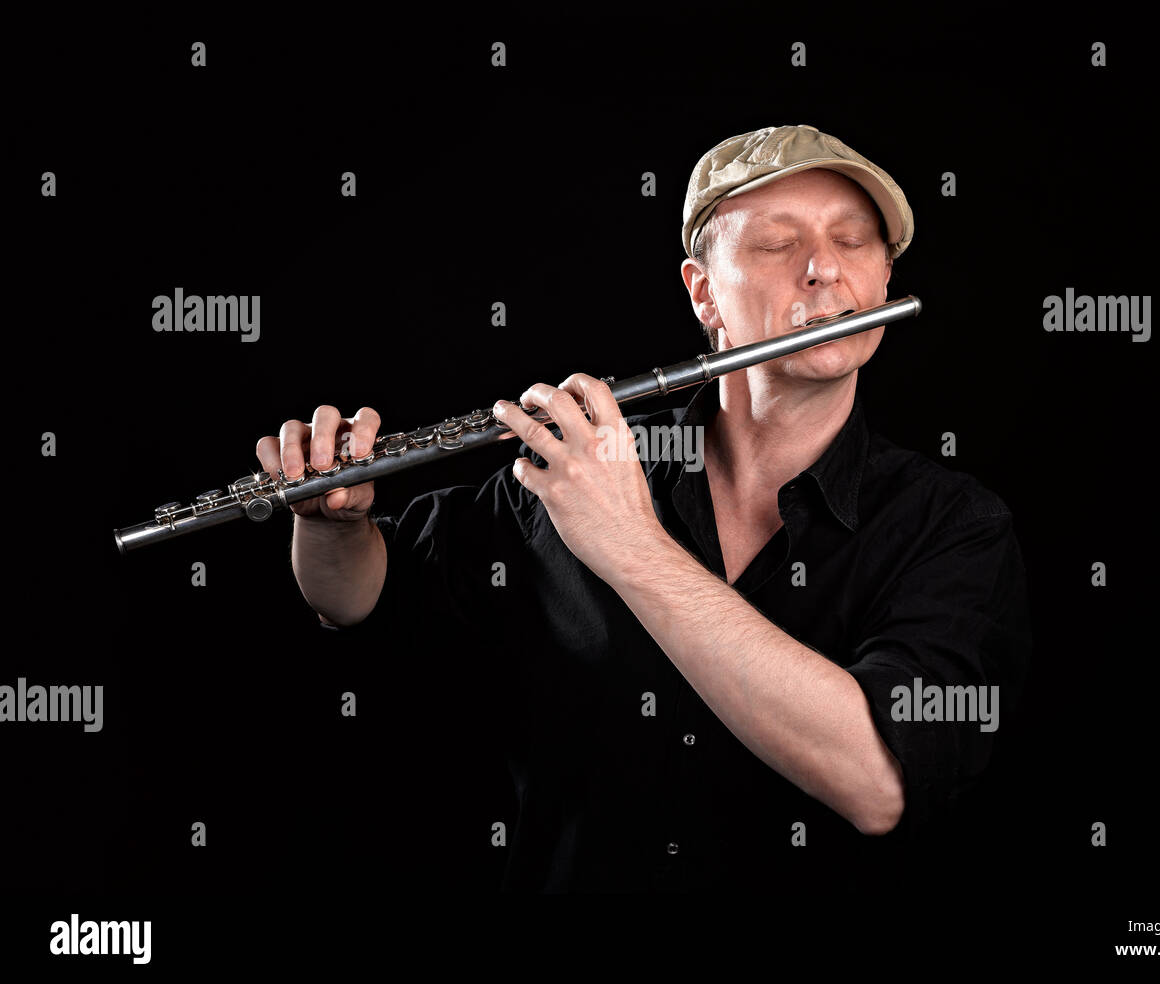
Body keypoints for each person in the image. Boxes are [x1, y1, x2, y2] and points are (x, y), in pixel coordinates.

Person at [257, 124, 1032, 892]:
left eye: (855, 240)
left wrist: (632, 548)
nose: (824, 269)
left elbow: (878, 783)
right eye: (776, 243)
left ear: (885, 280)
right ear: (703, 292)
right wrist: (333, 524)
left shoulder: (955, 529)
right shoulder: (578, 469)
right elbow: (360, 595)